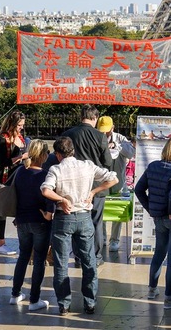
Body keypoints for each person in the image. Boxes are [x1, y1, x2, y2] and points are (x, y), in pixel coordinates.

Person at [40, 136, 118, 316]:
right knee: (88, 260)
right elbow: (113, 178)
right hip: (84, 217)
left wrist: (61, 199)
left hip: (63, 217)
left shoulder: (56, 169)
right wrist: (93, 191)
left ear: (58, 154)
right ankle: (89, 301)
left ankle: (64, 304)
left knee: (61, 262)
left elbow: (45, 190)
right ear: (73, 151)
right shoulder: (88, 166)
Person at [134, 135, 171, 310]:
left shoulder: (153, 166)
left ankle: (152, 289)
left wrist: (151, 209)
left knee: (159, 253)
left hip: (159, 218)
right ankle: (169, 299)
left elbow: (138, 189)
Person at [62, 104, 112, 267]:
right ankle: (95, 257)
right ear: (95, 118)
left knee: (78, 222)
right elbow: (108, 162)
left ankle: (78, 257)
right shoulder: (99, 136)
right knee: (96, 222)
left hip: (74, 185)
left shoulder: (68, 134)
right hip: (96, 185)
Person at [10, 139, 53, 311]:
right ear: (42, 155)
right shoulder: (44, 175)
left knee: (23, 256)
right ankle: (34, 300)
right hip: (40, 221)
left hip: (22, 220)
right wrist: (49, 214)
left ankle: (15, 294)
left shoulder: (21, 172)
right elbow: (49, 198)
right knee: (39, 259)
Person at [96, 116, 135, 252]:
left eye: (106, 131)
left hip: (119, 183)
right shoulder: (96, 137)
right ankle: (103, 238)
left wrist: (117, 146)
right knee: (102, 211)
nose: (104, 133)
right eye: (102, 130)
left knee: (117, 213)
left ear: (112, 128)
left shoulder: (121, 138)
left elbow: (131, 153)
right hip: (102, 183)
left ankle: (115, 240)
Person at [0, 110, 29, 255]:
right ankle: (1, 244)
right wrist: (21, 157)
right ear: (12, 123)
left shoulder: (21, 137)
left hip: (20, 177)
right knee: (2, 211)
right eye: (19, 125)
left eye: (22, 125)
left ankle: (23, 242)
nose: (21, 127)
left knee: (19, 210)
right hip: (6, 178)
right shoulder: (2, 139)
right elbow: (3, 162)